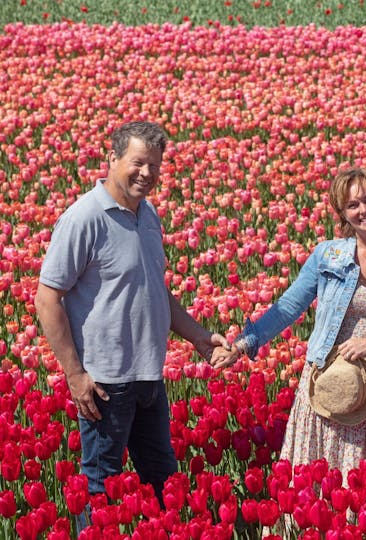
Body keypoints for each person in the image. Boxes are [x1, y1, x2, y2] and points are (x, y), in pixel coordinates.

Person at [35, 121, 235, 532]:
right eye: (138, 163)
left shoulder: (148, 216)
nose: (146, 173)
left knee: (164, 482)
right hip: (107, 382)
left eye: (154, 166)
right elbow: (47, 297)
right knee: (100, 488)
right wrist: (75, 375)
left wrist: (198, 336)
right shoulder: (84, 218)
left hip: (148, 376)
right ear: (113, 159)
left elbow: (155, 290)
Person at [226, 167, 366, 519]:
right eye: (352, 204)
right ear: (342, 214)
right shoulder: (328, 256)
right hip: (328, 383)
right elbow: (289, 307)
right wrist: (244, 343)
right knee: (319, 490)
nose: (364, 209)